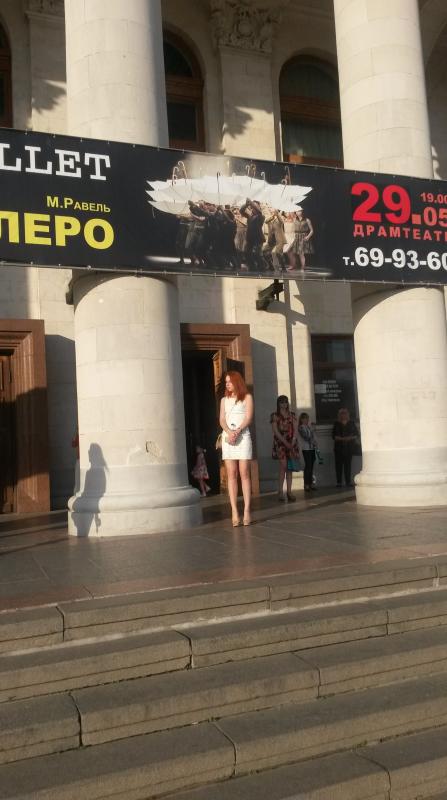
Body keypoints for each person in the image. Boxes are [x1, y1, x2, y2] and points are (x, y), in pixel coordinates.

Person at [219, 371, 253, 526]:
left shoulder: (247, 397)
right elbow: (221, 419)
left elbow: (248, 417)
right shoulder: (224, 400)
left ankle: (246, 510)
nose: (227, 384)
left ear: (237, 382)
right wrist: (229, 432)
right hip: (228, 437)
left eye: (229, 381)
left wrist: (238, 431)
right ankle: (234, 511)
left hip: (243, 436)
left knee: (244, 473)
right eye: (226, 382)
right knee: (231, 474)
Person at [270, 395, 299, 502]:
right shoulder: (275, 416)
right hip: (280, 443)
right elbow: (275, 431)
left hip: (291, 443)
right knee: (284, 466)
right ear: (278, 404)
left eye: (285, 402)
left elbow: (295, 429)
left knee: (289, 468)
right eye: (282, 402)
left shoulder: (292, 415)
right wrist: (285, 442)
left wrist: (293, 441)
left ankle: (289, 492)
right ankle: (280, 491)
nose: (284, 404)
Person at [332, 408, 360, 487]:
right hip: (338, 448)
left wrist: (350, 438)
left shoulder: (351, 423)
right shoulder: (336, 424)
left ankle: (348, 482)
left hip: (349, 448)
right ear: (339, 415)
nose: (343, 415)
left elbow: (357, 434)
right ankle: (339, 482)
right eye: (342, 414)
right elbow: (333, 436)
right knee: (338, 466)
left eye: (345, 413)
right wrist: (342, 439)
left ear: (348, 415)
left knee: (348, 466)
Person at [287, 207, 314, 272]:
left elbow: (312, 230)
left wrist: (308, 237)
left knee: (301, 253)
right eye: (297, 211)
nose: (298, 212)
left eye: (299, 211)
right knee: (289, 250)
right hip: (296, 237)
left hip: (303, 237)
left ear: (302, 212)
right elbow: (289, 213)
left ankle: (303, 267)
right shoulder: (294, 219)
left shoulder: (307, 220)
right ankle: (293, 265)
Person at [297, 412, 318, 492]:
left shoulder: (308, 427)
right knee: (308, 466)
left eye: (307, 418)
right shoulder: (301, 428)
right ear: (301, 419)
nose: (307, 420)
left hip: (312, 448)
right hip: (306, 449)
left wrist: (315, 442)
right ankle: (306, 484)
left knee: (311, 466)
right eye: (305, 418)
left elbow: (312, 437)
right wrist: (312, 431)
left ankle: (311, 483)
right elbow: (306, 437)